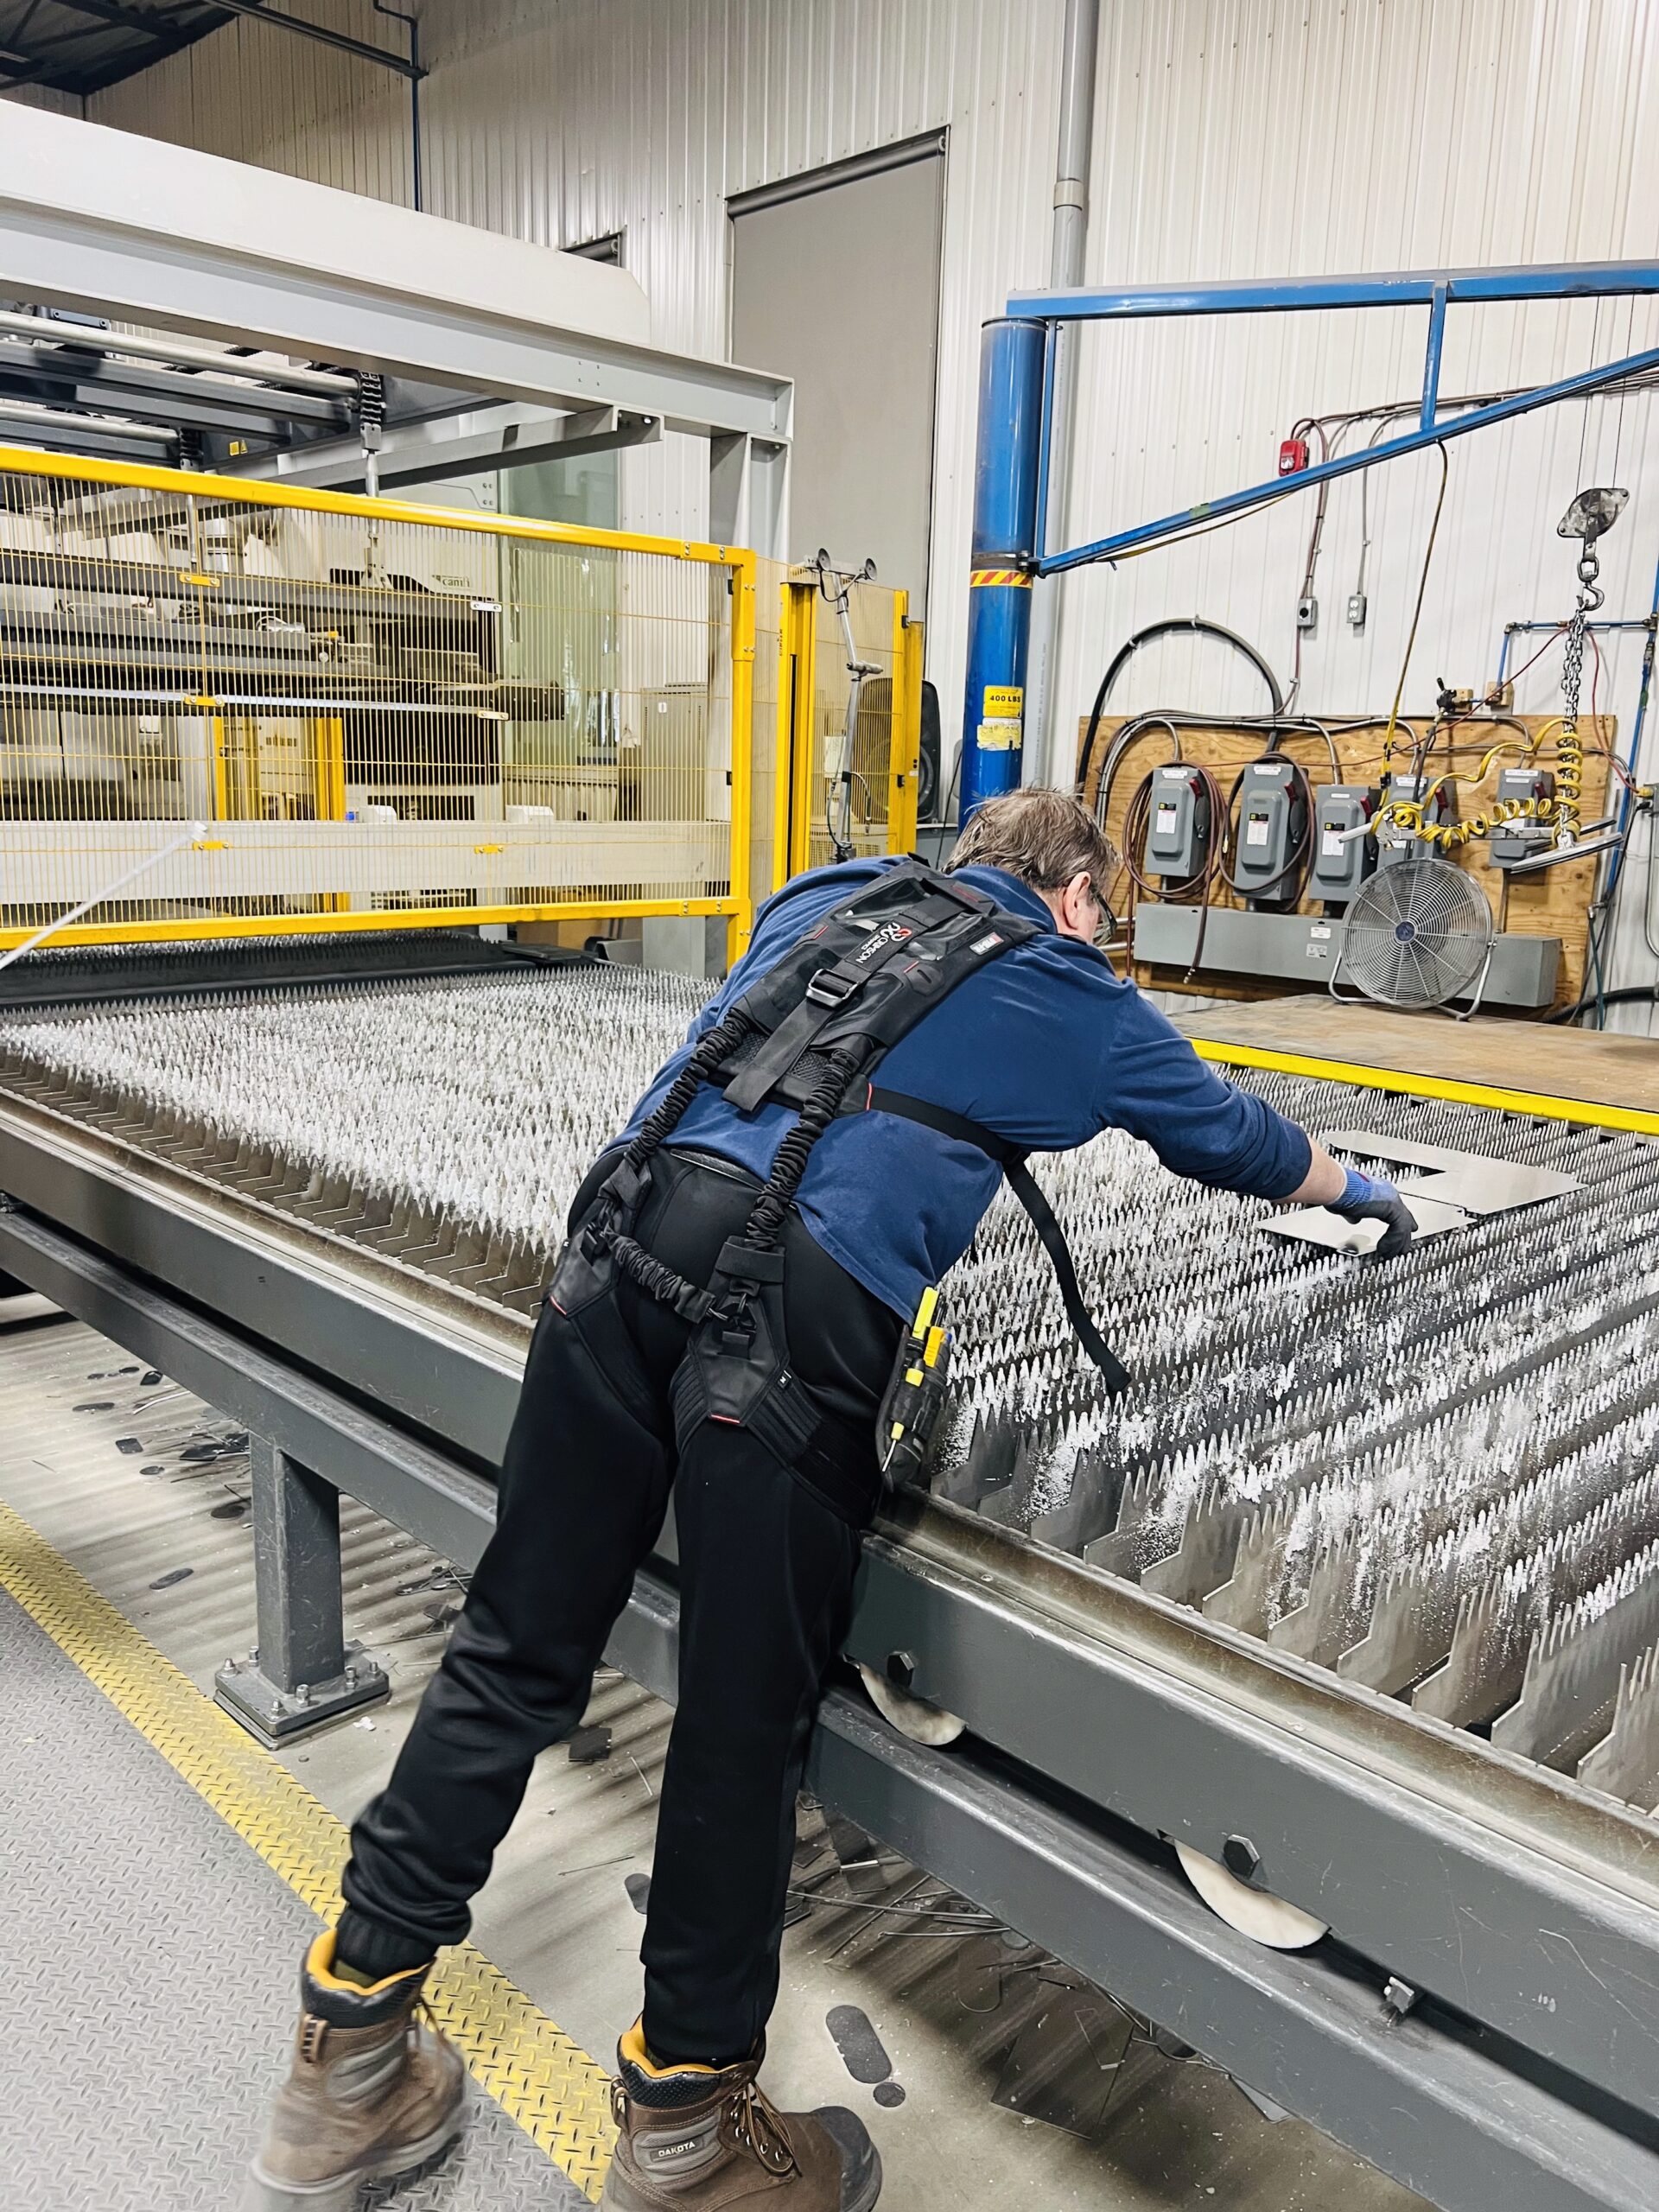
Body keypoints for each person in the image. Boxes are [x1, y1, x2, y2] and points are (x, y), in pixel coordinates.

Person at [245, 790, 1414, 2212]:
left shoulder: (829, 894)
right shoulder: (1067, 984)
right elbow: (1230, 1137)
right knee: (739, 1724)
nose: (1103, 937)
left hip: (614, 1247)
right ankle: (687, 2127)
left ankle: (350, 2047)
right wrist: (1358, 1190)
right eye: (1104, 915)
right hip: (786, 1334)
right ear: (1079, 895)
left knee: (513, 1645)